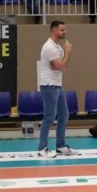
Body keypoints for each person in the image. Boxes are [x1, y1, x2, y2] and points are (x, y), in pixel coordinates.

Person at [37, 20, 74, 159]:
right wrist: (68, 53)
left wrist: (59, 64)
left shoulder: (58, 47)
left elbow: (58, 66)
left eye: (64, 29)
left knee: (64, 115)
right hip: (49, 85)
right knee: (49, 117)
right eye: (62, 30)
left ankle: (60, 146)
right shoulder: (49, 47)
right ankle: (42, 148)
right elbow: (62, 66)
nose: (65, 32)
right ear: (54, 31)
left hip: (57, 85)